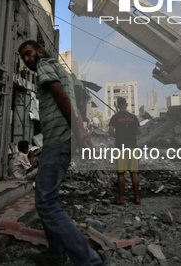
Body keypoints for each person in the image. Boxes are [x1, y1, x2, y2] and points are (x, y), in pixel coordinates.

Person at [18, 40, 104, 266]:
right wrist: (81, 133)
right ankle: (55, 255)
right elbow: (70, 102)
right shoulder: (59, 69)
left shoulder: (45, 65)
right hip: (61, 139)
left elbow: (62, 98)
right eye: (23, 58)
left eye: (28, 54)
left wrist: (80, 132)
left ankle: (90, 263)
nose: (27, 60)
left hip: (58, 139)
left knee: (45, 202)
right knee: (47, 199)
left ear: (38, 51)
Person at [108, 97, 142, 205]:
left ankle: (121, 198)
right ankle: (137, 198)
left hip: (121, 147)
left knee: (121, 173)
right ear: (126, 105)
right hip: (132, 146)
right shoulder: (133, 117)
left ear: (117, 106)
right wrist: (130, 134)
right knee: (134, 173)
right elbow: (139, 131)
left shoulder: (115, 117)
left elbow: (110, 131)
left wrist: (118, 136)